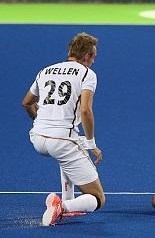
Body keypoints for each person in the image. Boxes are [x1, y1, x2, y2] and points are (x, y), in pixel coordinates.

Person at [22, 32, 105, 226]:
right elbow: (85, 110)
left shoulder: (45, 71)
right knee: (98, 198)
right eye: (93, 56)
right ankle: (62, 207)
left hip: (37, 139)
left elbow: (26, 103)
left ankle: (68, 200)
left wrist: (40, 122)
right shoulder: (87, 74)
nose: (94, 61)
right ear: (85, 56)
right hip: (62, 141)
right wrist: (91, 143)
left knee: (68, 150)